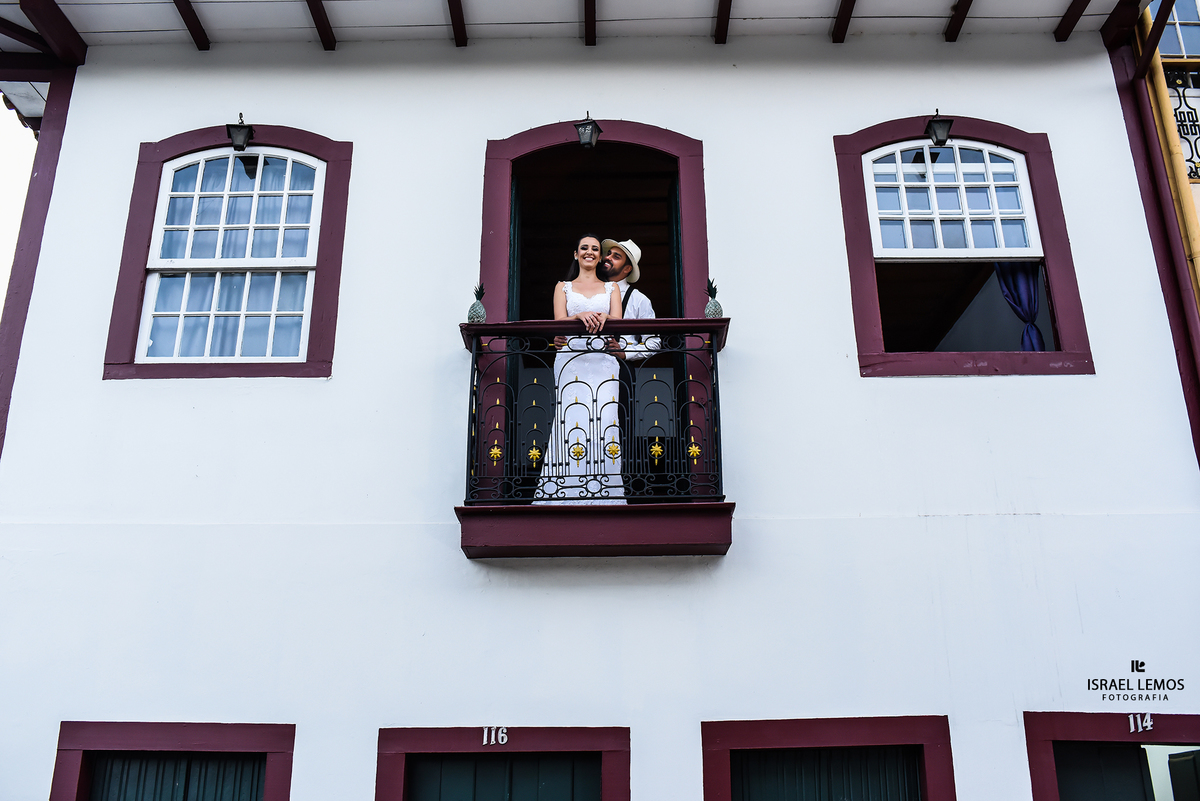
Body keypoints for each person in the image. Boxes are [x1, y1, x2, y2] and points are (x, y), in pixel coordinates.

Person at [534, 234, 625, 504]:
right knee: (572, 419)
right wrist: (576, 317)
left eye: (595, 249)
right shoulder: (562, 287)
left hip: (603, 361)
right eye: (584, 248)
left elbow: (618, 321)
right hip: (571, 359)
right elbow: (558, 322)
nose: (590, 252)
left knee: (606, 419)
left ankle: (604, 494)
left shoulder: (612, 289)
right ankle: (564, 492)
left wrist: (607, 316)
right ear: (575, 254)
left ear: (599, 257)